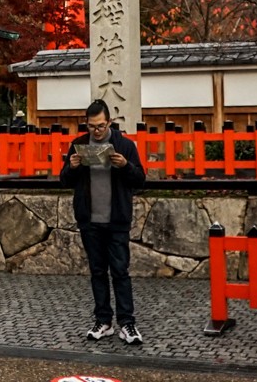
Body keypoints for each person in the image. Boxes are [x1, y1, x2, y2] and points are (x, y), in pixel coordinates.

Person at [59, 99, 145, 345]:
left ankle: (127, 323)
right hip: (90, 220)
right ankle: (103, 321)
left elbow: (140, 179)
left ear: (109, 122)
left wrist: (125, 166)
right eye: (91, 126)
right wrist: (72, 167)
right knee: (97, 272)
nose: (96, 131)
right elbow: (64, 180)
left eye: (100, 126)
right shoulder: (79, 145)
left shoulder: (124, 145)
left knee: (120, 272)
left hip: (116, 219)